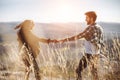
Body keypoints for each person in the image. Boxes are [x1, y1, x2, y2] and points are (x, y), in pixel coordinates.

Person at [54, 11, 104, 80]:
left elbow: (78, 36)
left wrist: (64, 40)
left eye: (87, 18)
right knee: (94, 72)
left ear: (91, 18)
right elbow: (98, 41)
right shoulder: (99, 28)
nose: (85, 19)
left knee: (78, 70)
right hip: (96, 54)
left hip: (89, 54)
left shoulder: (91, 28)